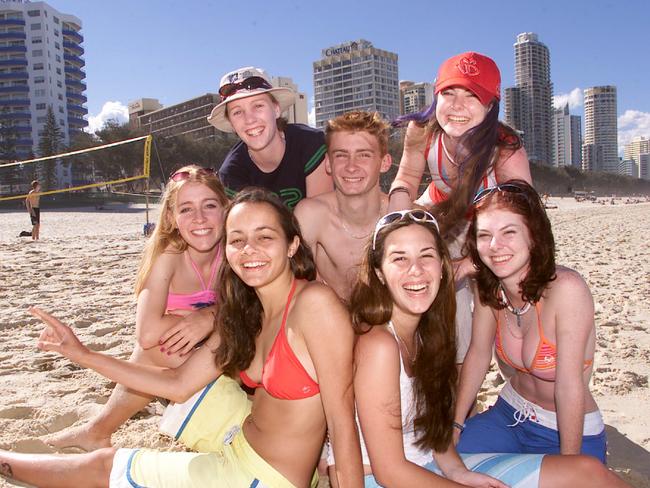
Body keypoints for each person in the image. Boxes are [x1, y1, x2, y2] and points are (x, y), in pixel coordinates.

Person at [5, 188, 362, 488]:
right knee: (112, 457)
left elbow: (343, 423)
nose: (249, 249)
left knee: (104, 467)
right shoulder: (246, 311)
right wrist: (82, 355)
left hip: (261, 478)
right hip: (236, 448)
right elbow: (177, 385)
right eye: (237, 240)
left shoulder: (314, 305)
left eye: (264, 237)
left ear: (292, 245)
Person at [329, 209, 629, 488]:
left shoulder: (426, 333)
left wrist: (460, 473)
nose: (416, 270)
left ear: (444, 268)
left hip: (425, 463)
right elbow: (389, 471)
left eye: (426, 256)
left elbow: (433, 429)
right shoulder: (379, 345)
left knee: (587, 474)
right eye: (399, 259)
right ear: (380, 274)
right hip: (382, 480)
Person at [43, 165, 229, 452]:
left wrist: (210, 316)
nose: (200, 219)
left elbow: (257, 309)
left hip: (229, 360)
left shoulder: (233, 250)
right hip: (187, 359)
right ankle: (97, 431)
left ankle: (97, 431)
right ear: (170, 217)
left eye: (210, 205)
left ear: (226, 208)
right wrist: (196, 319)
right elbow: (147, 333)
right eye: (186, 209)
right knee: (155, 347)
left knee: (156, 349)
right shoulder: (169, 255)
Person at [388, 52, 532, 364]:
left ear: (491, 105)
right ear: (435, 95)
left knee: (497, 288)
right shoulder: (422, 130)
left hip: (488, 228)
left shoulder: (505, 148)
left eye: (472, 96)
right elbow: (407, 178)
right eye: (449, 94)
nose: (456, 106)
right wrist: (396, 228)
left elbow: (525, 225)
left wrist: (466, 266)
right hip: (439, 212)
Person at [455, 181, 607, 463]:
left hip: (566, 430)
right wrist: (456, 423)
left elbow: (569, 384)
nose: (495, 246)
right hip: (509, 415)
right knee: (443, 467)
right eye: (484, 235)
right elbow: (477, 354)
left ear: (534, 237)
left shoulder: (567, 290)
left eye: (509, 232)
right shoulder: (490, 287)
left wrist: (569, 462)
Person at [295, 110, 391, 301]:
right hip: (330, 322)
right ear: (328, 164)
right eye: (341, 155)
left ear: (384, 162)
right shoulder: (311, 215)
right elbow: (292, 289)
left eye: (364, 155)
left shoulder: (401, 215)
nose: (351, 166)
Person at [208, 66, 332, 208]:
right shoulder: (232, 173)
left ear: (276, 109)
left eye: (258, 106)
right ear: (231, 123)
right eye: (237, 112)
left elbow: (321, 217)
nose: (250, 119)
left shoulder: (310, 143)